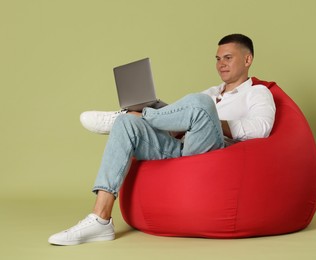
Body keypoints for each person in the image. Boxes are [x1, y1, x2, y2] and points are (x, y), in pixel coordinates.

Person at [48, 34, 276, 246]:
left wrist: (214, 120)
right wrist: (164, 113)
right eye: (217, 59)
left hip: (215, 151)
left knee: (201, 105)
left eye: (228, 58)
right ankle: (100, 219)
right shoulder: (211, 91)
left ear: (247, 59)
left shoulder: (258, 93)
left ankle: (138, 114)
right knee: (128, 125)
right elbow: (184, 118)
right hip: (182, 148)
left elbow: (261, 129)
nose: (220, 64)